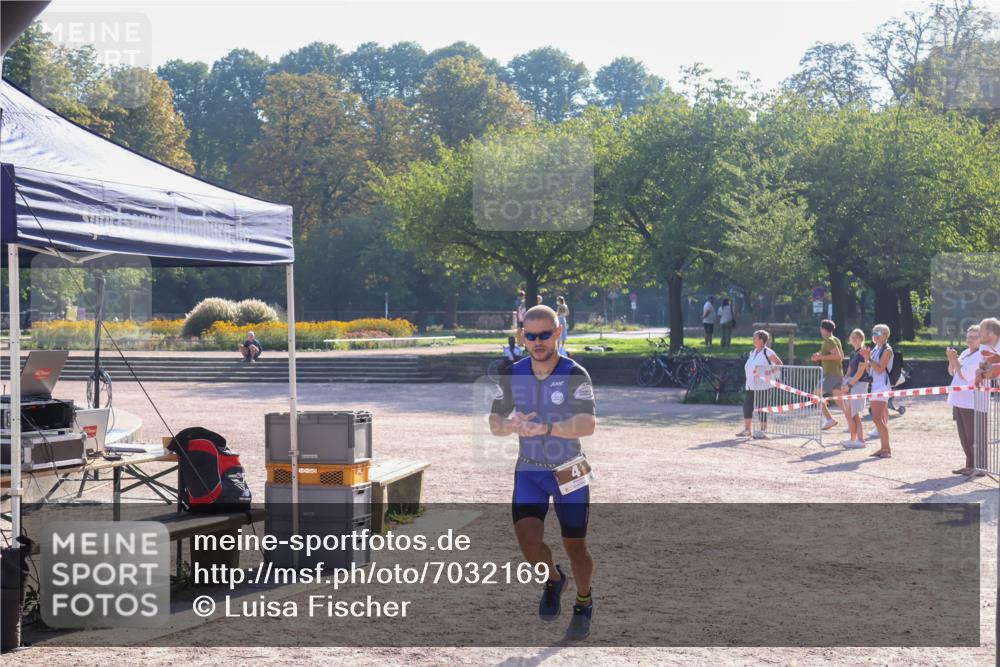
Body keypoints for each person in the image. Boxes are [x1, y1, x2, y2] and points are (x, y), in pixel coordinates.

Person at [489, 305, 597, 641]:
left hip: (569, 468)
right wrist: (508, 425)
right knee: (528, 544)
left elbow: (588, 424)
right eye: (531, 335)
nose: (537, 341)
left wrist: (547, 427)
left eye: (545, 335)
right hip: (530, 470)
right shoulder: (513, 373)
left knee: (575, 545)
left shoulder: (574, 372)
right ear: (522, 336)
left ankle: (583, 601)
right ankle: (553, 579)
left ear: (558, 333)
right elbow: (494, 422)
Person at [946, 325, 981, 475]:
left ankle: (977, 466)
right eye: (968, 336)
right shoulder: (966, 352)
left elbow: (965, 375)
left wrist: (954, 360)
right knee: (963, 435)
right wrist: (951, 360)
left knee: (972, 435)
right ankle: (969, 464)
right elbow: (952, 371)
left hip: (971, 401)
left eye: (974, 337)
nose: (970, 339)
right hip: (958, 399)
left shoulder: (981, 355)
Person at [737, 330, 782, 439]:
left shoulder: (768, 352)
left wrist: (769, 373)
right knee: (747, 406)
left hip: (763, 385)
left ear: (761, 340)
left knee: (762, 407)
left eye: (755, 338)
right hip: (750, 385)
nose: (753, 340)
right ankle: (748, 430)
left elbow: (779, 364)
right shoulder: (753, 352)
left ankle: (763, 430)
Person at [860, 324, 893, 458]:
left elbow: (880, 369)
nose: (875, 335)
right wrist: (867, 360)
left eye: (878, 332)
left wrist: (869, 359)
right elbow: (871, 370)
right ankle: (884, 448)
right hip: (875, 386)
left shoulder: (888, 350)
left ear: (885, 335)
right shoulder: (875, 349)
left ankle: (886, 449)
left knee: (877, 418)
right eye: (873, 332)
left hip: (882, 387)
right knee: (878, 418)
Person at [811, 319, 844, 431]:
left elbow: (838, 356)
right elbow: (840, 356)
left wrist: (821, 357)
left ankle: (829, 419)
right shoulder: (835, 339)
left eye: (821, 328)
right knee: (840, 402)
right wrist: (819, 356)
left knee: (816, 394)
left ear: (823, 329)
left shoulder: (829, 341)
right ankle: (853, 418)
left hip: (830, 374)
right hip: (838, 374)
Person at [839, 329, 870, 449]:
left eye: (857, 337)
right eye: (853, 337)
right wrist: (844, 382)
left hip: (859, 384)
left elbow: (860, 372)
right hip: (851, 383)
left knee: (855, 413)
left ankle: (860, 440)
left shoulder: (863, 353)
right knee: (849, 413)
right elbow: (850, 371)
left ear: (862, 339)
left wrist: (849, 385)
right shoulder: (853, 353)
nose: (855, 339)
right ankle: (853, 439)